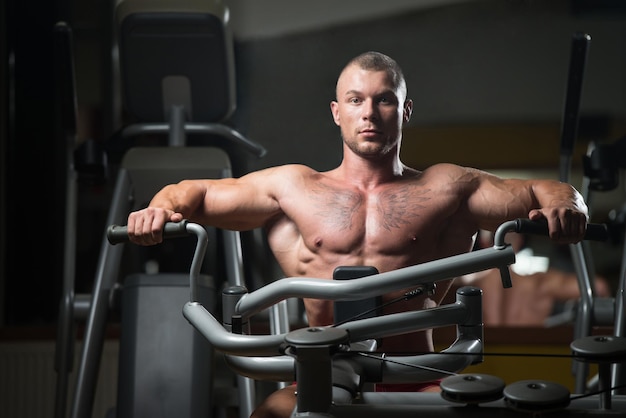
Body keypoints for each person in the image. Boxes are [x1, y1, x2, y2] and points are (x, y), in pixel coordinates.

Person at [126, 51, 590, 418]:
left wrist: (566, 205)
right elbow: (195, 193)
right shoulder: (293, 188)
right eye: (355, 100)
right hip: (322, 378)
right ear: (336, 112)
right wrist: (159, 209)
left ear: (405, 110)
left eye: (384, 99)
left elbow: (540, 188)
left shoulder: (446, 187)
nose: (369, 113)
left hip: (420, 376)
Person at [454, 230, 610, 326]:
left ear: (484, 242)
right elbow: (599, 287)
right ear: (520, 243)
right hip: (527, 357)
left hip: (480, 361)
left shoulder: (463, 283)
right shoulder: (539, 284)